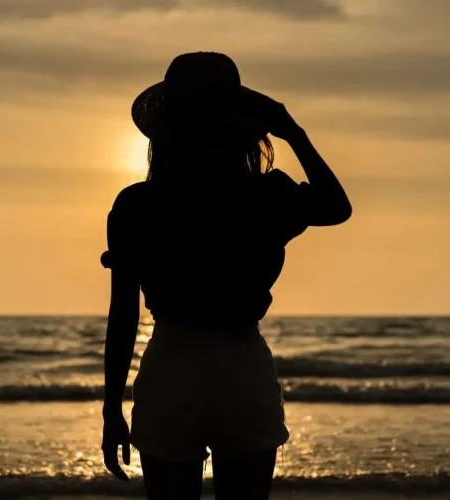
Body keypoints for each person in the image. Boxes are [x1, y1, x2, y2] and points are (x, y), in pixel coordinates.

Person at [100, 52, 352, 500]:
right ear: (240, 122)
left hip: (170, 368)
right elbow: (337, 207)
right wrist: (293, 132)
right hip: (240, 366)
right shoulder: (265, 195)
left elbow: (123, 315)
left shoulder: (139, 204)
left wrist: (111, 409)